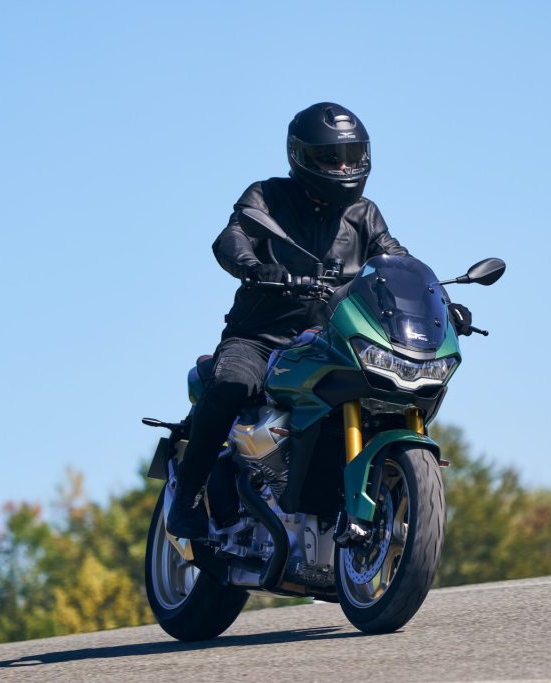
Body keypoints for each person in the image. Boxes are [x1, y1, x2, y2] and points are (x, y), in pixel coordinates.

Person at [166, 102, 472, 540]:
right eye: (331, 157)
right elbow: (232, 236)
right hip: (261, 337)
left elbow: (395, 261)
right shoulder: (267, 197)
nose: (343, 166)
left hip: (330, 337)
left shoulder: (364, 215)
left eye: (352, 156)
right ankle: (189, 497)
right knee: (233, 382)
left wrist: (439, 300)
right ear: (301, 157)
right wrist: (254, 265)